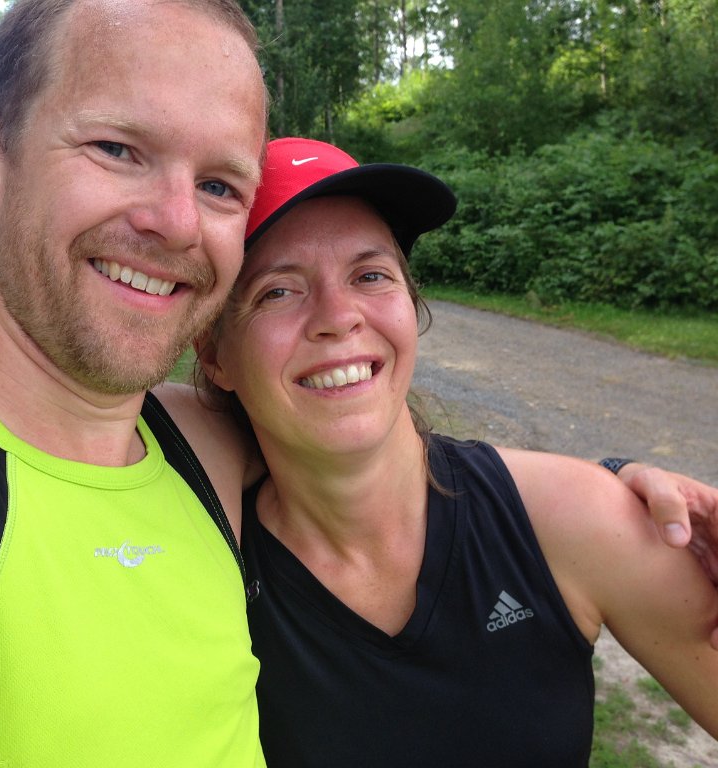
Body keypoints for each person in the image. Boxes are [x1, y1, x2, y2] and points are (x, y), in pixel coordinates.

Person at [0, 2, 714, 765]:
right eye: (117, 148)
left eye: (220, 183)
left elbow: (389, 454)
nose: (176, 222)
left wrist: (620, 491)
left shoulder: (201, 454)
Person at [187, 137, 718, 766]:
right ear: (214, 354)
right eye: (277, 290)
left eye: (370, 275)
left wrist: (613, 480)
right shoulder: (199, 572)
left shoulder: (575, 517)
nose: (339, 316)